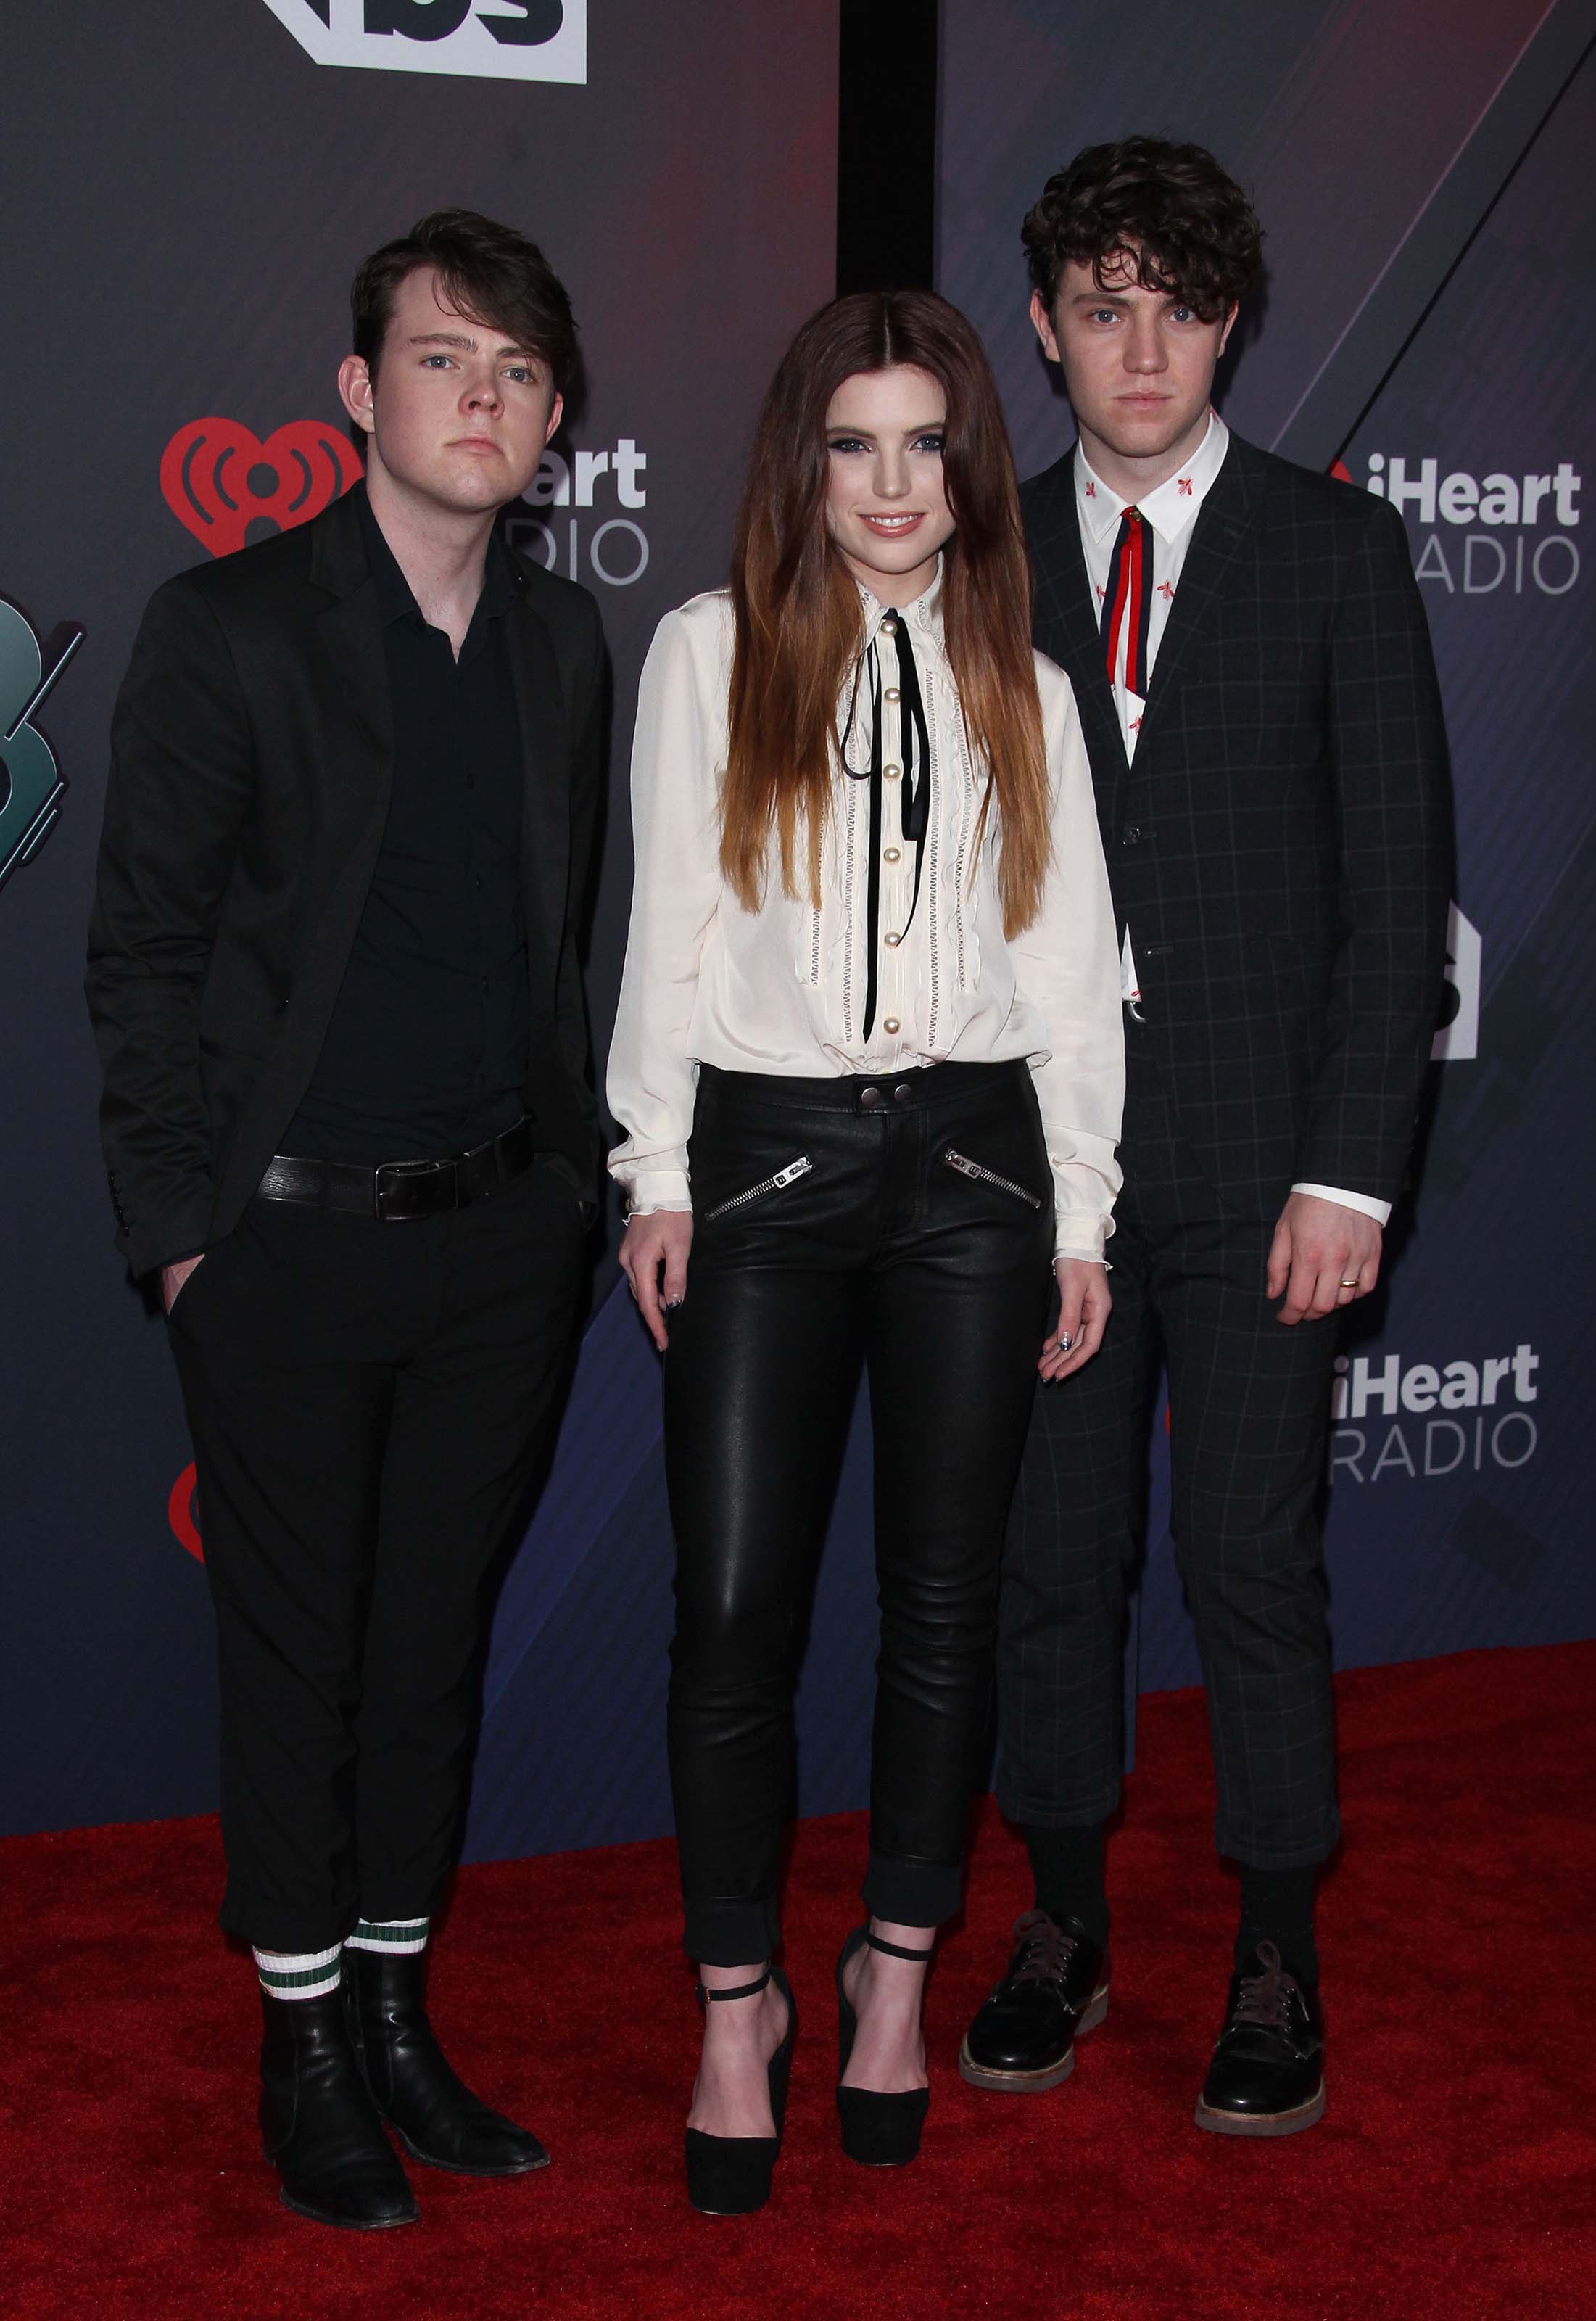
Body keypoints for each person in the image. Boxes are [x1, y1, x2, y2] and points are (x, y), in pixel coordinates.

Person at [86, 210, 606, 2230]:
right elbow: (140, 959)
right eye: (442, 359)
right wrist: (181, 1235)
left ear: (554, 419)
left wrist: (573, 1197)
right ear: (356, 392)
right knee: (293, 1656)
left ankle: (396, 2009)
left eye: (517, 372)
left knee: (424, 1656)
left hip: (501, 1247)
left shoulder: (566, 643)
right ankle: (298, 2037)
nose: (479, 399)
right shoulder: (229, 629)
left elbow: (572, 951)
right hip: (284, 1249)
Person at [607, 290, 1123, 2213]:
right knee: (734, 1610)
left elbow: (1072, 966)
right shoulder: (706, 653)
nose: (892, 485)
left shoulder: (1029, 687)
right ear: (799, 462)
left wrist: (1076, 1205)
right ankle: (735, 2004)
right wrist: (653, 1168)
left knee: (944, 1607)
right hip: (763, 1168)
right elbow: (665, 919)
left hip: (976, 1176)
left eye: (926, 445)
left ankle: (891, 1974)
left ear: (968, 465)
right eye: (853, 444)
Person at [958, 137, 1452, 2135]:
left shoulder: (1335, 550)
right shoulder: (972, 552)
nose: (1135, 343)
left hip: (1265, 1161)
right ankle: (1060, 1927)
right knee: (1051, 1564)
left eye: (1172, 303)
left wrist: (1351, 1168)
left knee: (1251, 1564)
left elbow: (1392, 880)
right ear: (1043, 330)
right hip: (1037, 1163)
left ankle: (1272, 1956)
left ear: (1226, 319)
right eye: (1098, 303)